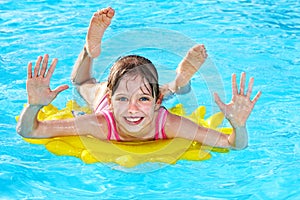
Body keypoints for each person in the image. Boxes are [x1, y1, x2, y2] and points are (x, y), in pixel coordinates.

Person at [16, 50, 261, 149]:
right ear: (112, 101)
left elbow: (233, 144)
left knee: (81, 83)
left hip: (140, 100)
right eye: (123, 99)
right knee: (82, 85)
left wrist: (238, 125)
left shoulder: (168, 123)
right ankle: (89, 50)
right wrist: (34, 105)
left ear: (158, 103)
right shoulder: (99, 122)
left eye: (143, 99)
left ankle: (175, 84)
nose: (132, 109)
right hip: (103, 95)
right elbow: (29, 131)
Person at [70, 7, 208, 110]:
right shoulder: (155, 115)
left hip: (111, 95)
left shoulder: (103, 116)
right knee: (164, 91)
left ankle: (88, 52)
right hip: (139, 95)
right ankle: (179, 82)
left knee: (81, 84)